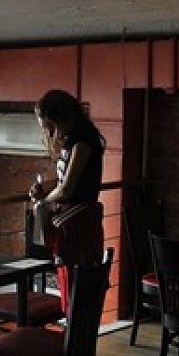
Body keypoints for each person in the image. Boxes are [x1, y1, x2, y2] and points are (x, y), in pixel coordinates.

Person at [29, 88, 105, 313]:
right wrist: (47, 188)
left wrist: (44, 201)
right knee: (74, 287)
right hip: (75, 224)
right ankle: (76, 330)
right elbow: (66, 181)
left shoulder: (83, 143)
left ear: (63, 119)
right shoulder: (74, 140)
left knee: (77, 287)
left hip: (79, 227)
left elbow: (67, 189)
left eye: (51, 127)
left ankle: (76, 331)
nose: (50, 133)